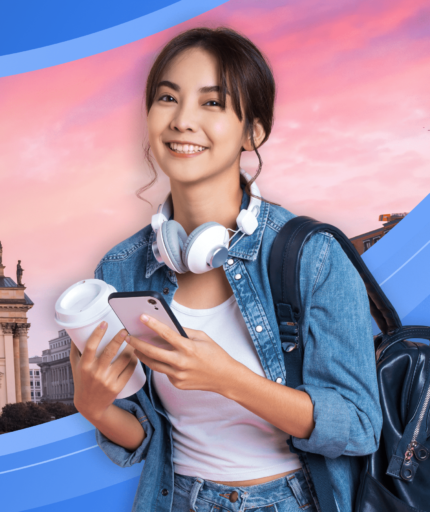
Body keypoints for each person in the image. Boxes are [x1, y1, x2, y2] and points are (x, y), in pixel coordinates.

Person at [70, 28, 380, 512]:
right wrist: (94, 407)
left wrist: (228, 378)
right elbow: (145, 440)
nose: (182, 120)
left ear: (253, 130)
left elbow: (359, 425)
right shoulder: (121, 269)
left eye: (211, 103)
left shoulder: (312, 255)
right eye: (168, 97)